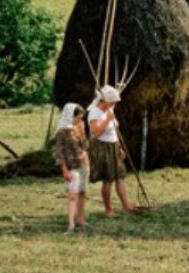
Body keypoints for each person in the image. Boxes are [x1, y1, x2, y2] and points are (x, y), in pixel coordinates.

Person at [88, 85, 136, 216]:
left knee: (120, 177)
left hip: (113, 146)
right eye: (113, 101)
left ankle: (127, 206)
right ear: (105, 100)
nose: (115, 103)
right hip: (102, 147)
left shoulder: (110, 110)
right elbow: (96, 133)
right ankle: (108, 209)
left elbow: (115, 131)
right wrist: (107, 119)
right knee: (108, 179)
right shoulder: (95, 113)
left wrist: (119, 147)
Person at [54, 103, 90, 233]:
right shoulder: (61, 132)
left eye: (81, 118)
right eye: (78, 118)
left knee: (82, 191)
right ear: (71, 116)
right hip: (71, 166)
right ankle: (71, 223)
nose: (80, 120)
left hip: (83, 164)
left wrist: (82, 131)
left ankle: (80, 218)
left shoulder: (78, 127)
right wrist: (64, 170)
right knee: (72, 194)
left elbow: (85, 145)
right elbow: (59, 153)